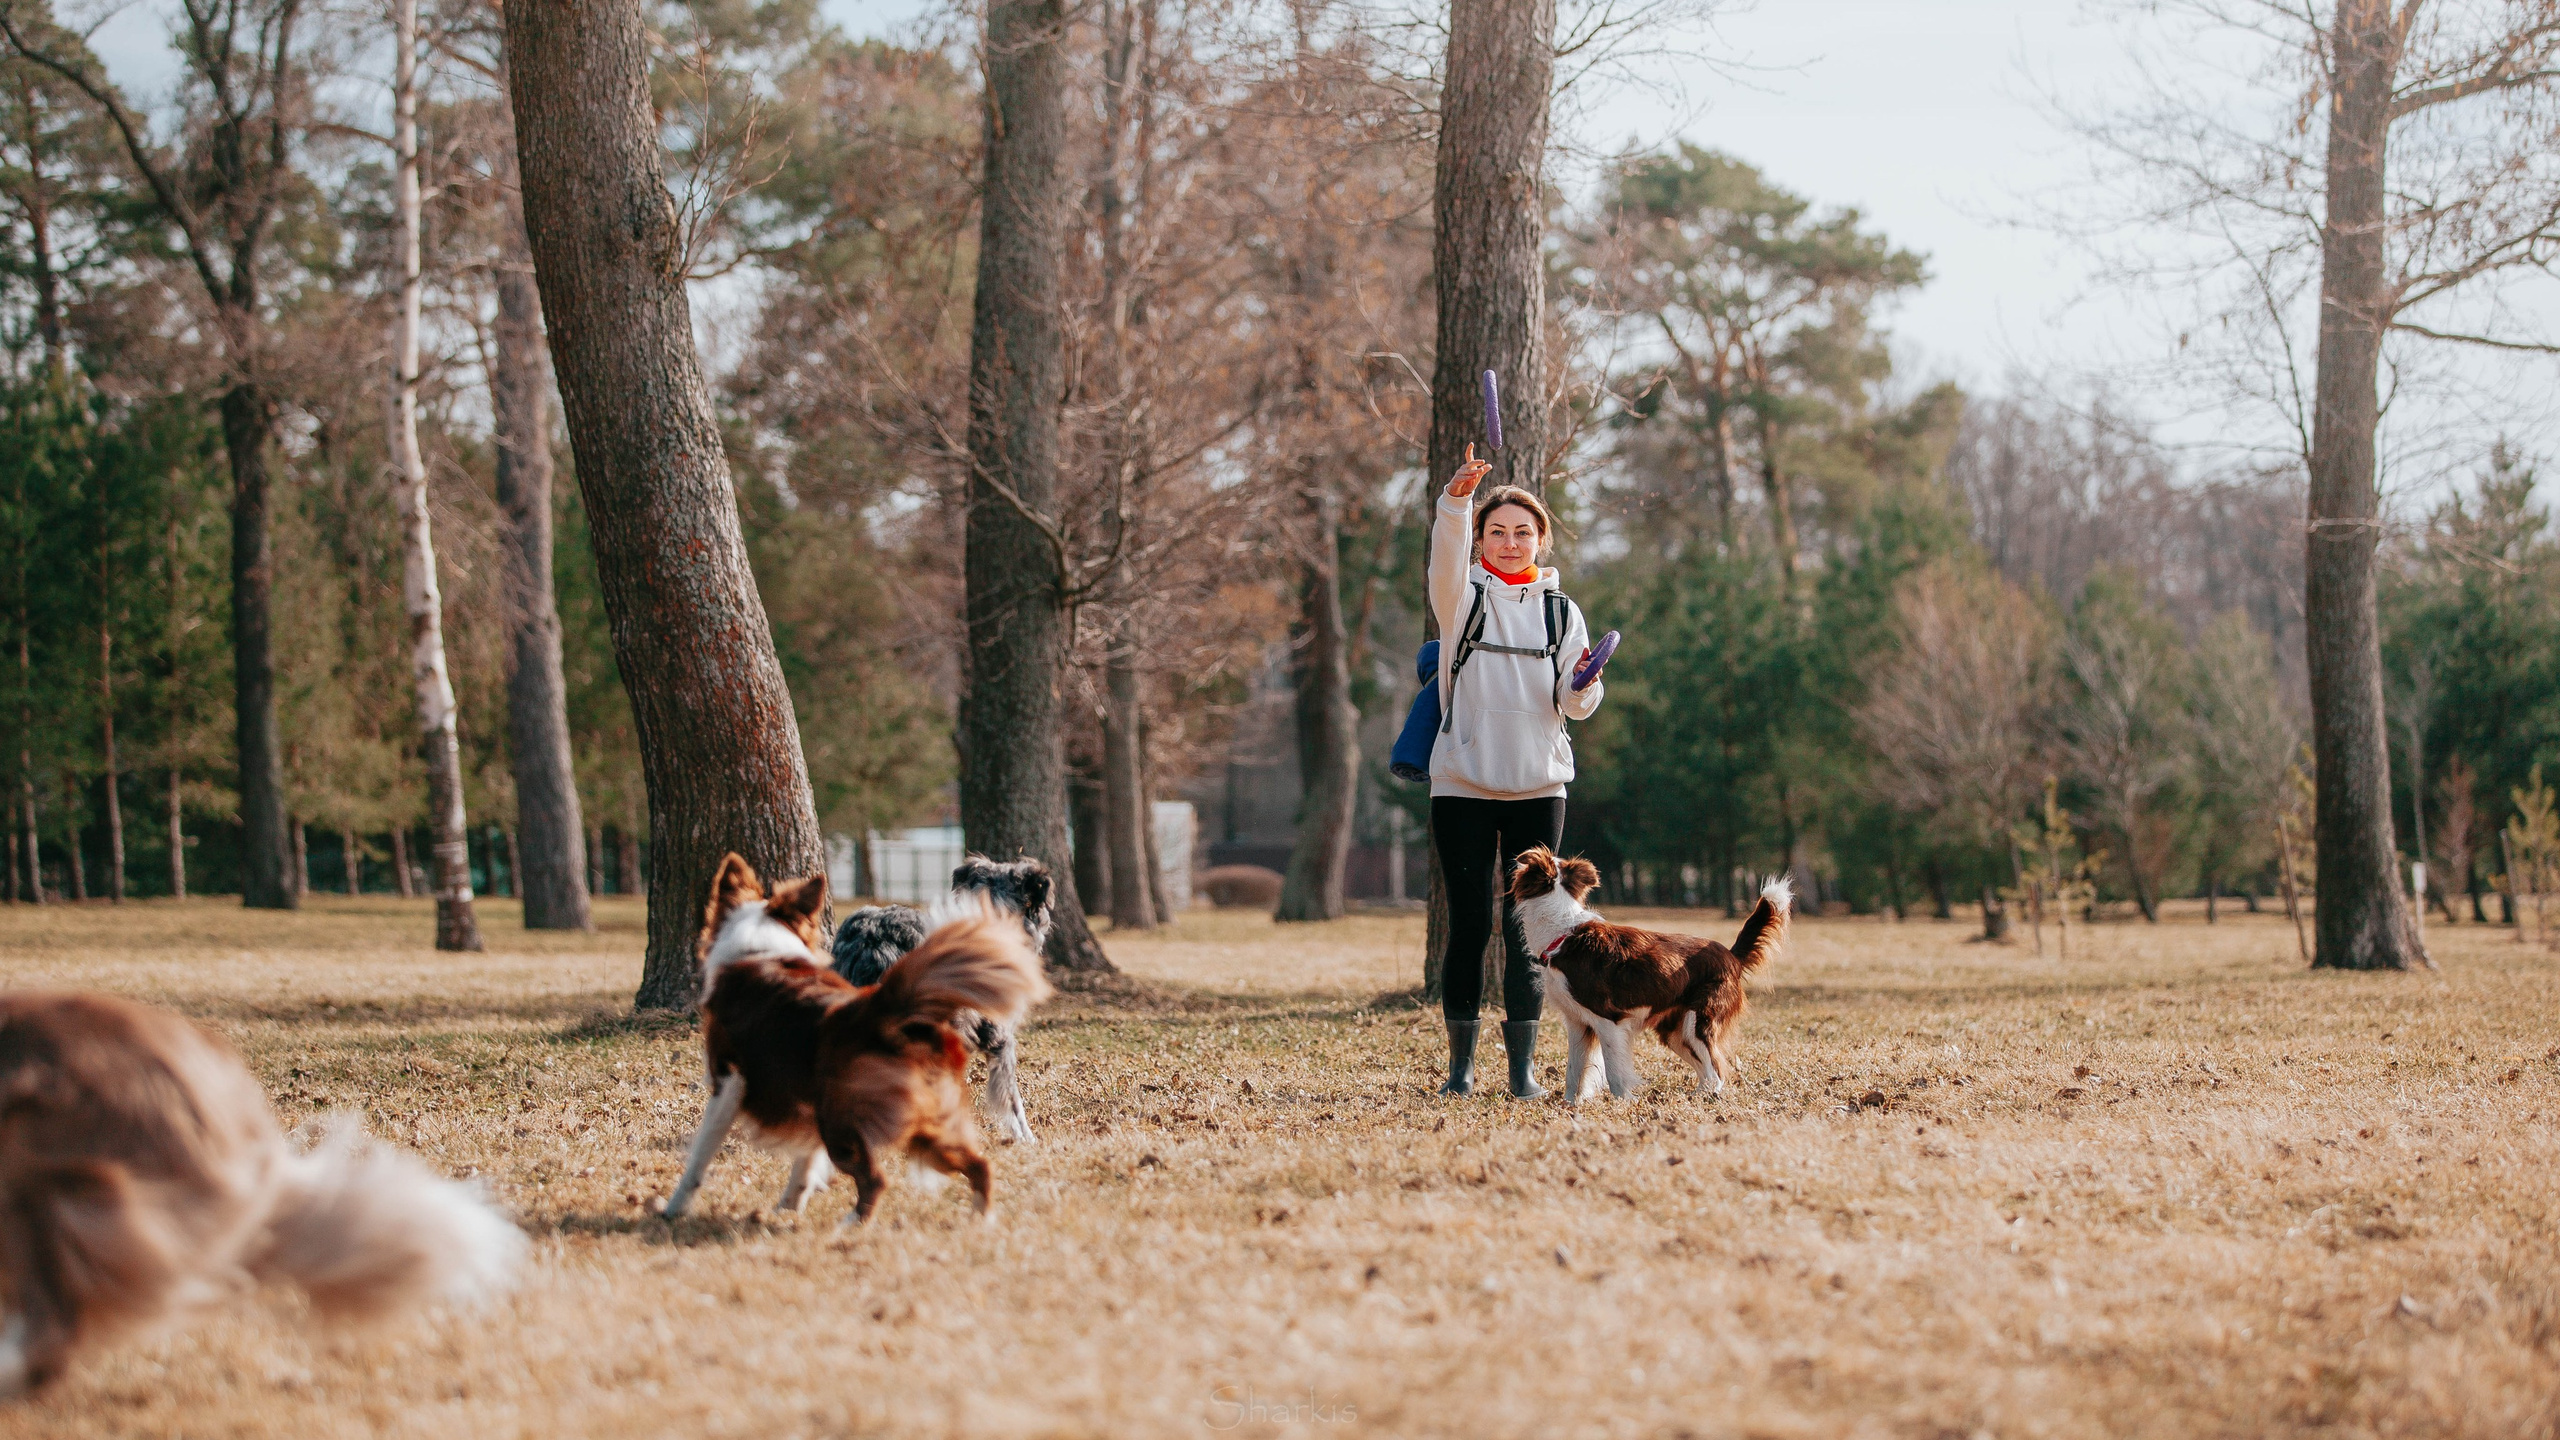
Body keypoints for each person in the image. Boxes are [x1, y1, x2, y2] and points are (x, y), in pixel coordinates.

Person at [1426, 445, 1604, 1097]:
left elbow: (1574, 704)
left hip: (1538, 788)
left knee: (1531, 932)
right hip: (1462, 786)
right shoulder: (1460, 597)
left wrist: (1586, 685)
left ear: (1541, 540)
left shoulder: (1562, 613)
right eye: (1496, 532)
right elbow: (1446, 554)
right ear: (1480, 540)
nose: (1509, 542)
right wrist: (1456, 501)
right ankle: (1460, 1071)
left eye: (1521, 532)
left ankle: (1524, 1072)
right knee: (1470, 926)